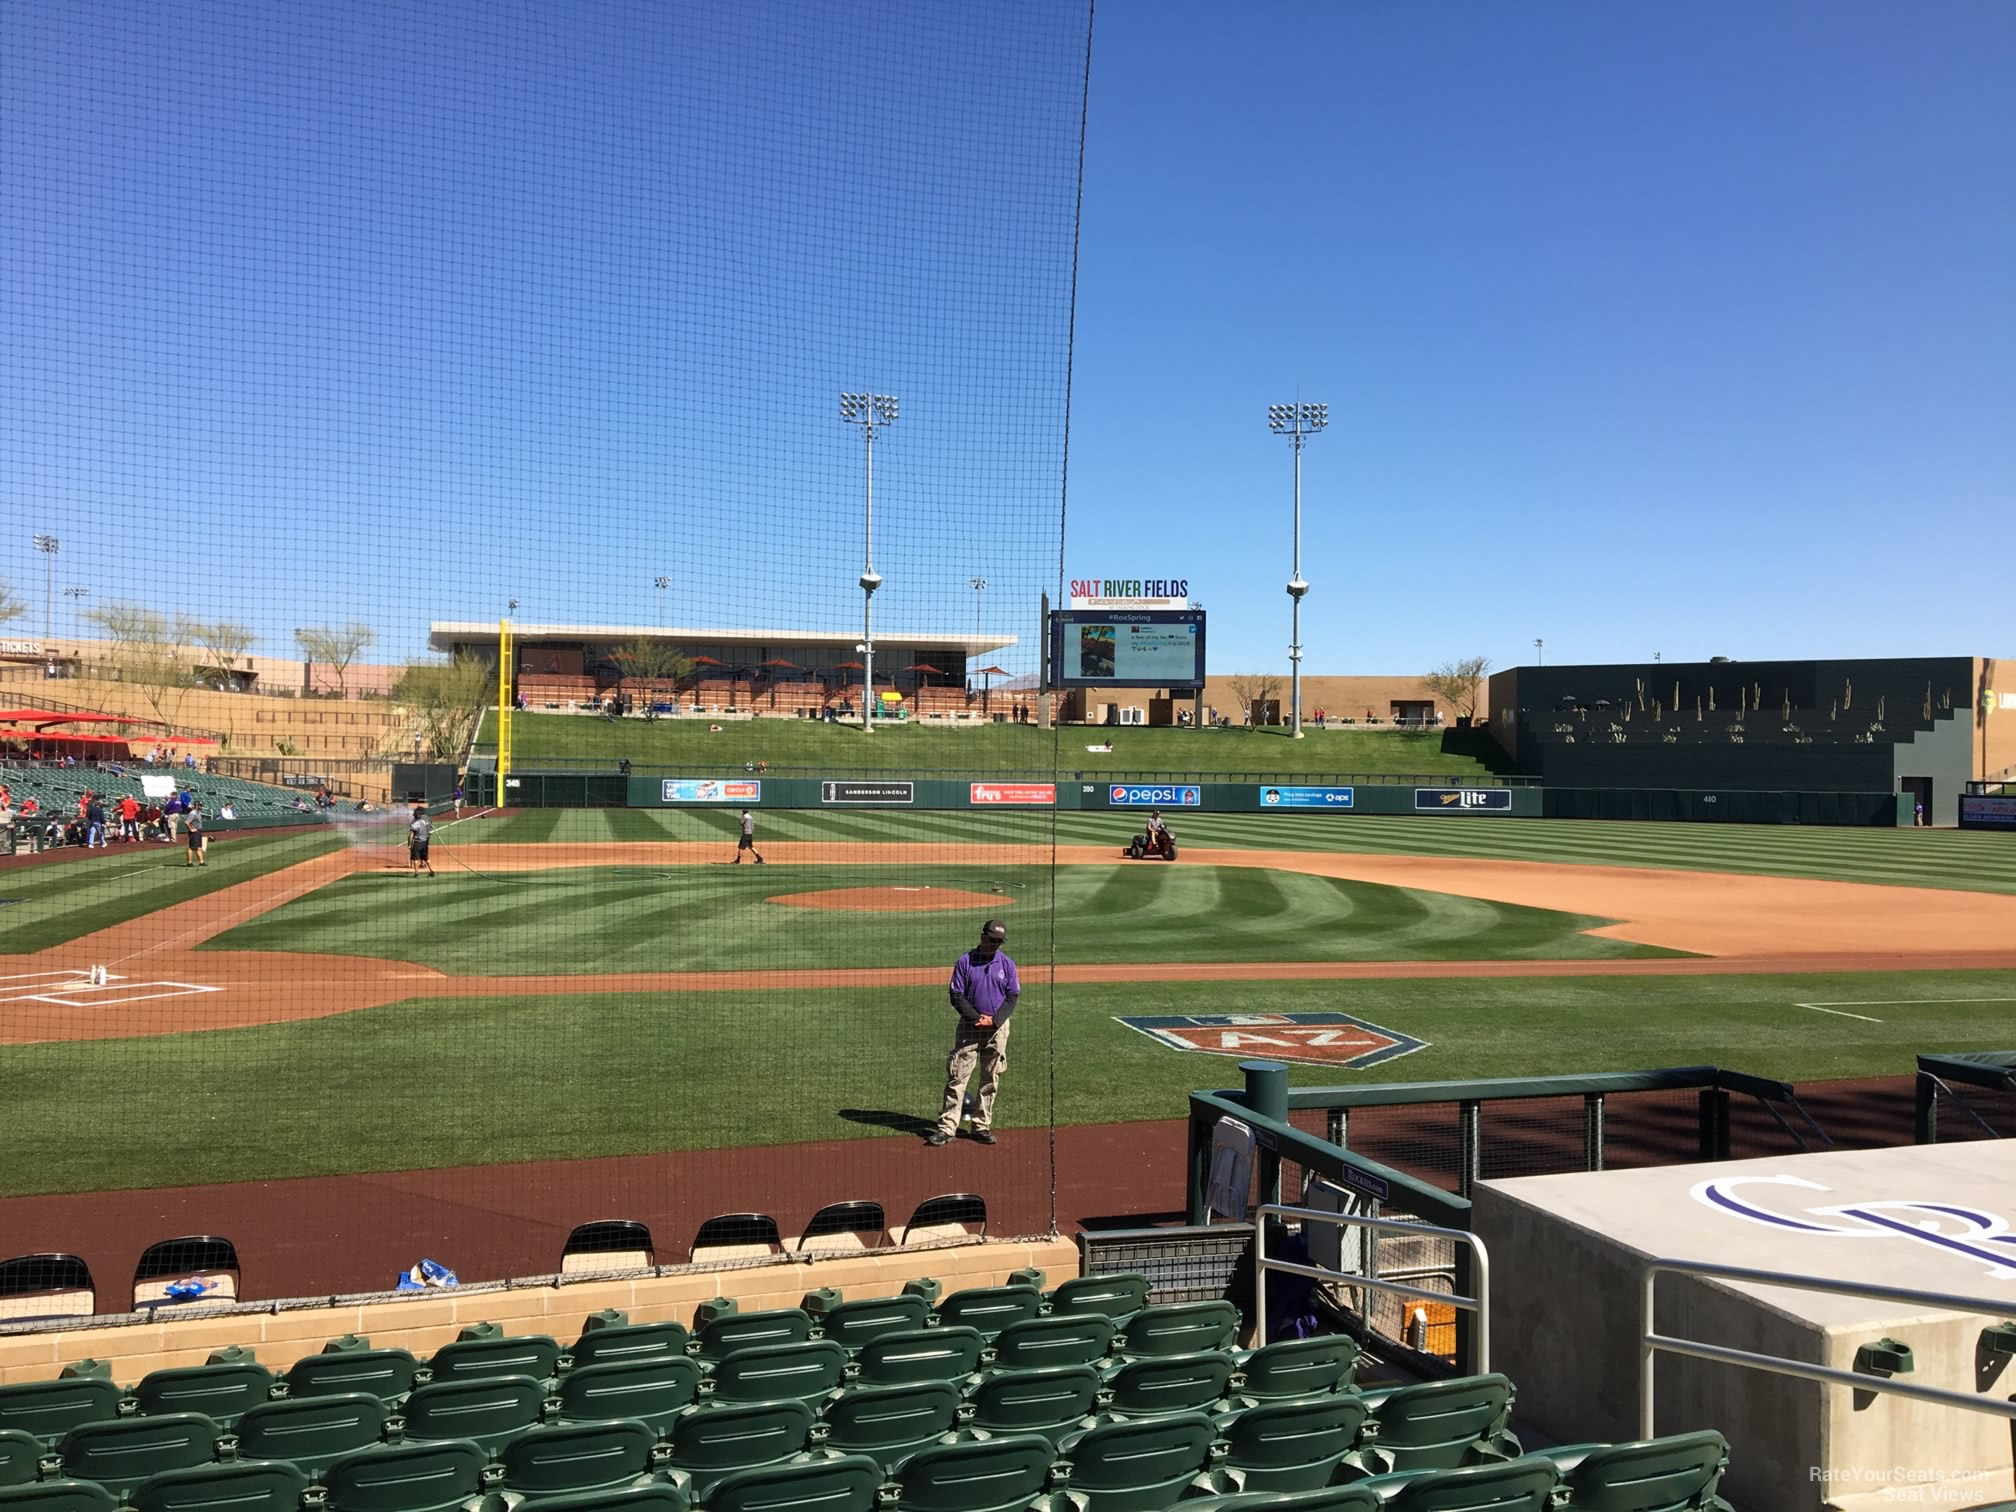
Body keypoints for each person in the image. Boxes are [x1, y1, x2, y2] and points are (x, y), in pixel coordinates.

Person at [927, 919, 1019, 1147]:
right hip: (970, 1028)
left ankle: (981, 1126)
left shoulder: (1007, 964)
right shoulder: (965, 962)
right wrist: (976, 1018)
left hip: (997, 1029)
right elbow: (956, 995)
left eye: (999, 942)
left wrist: (995, 1020)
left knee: (991, 1078)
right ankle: (947, 1127)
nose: (995, 945)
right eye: (992, 940)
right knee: (958, 1077)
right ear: (982, 936)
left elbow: (1012, 996)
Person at [409, 805, 435, 875]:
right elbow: (430, 827)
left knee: (416, 855)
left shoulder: (416, 818)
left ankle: (417, 871)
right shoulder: (428, 817)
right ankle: (427, 867)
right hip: (426, 837)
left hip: (417, 840)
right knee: (425, 854)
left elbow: (411, 830)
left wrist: (409, 843)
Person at [183, 801, 206, 867]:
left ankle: (201, 862)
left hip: (198, 832)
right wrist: (190, 829)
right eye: (200, 805)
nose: (201, 807)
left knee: (199, 847)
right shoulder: (193, 813)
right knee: (191, 847)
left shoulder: (198, 812)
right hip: (194, 833)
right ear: (196, 806)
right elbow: (186, 822)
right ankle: (189, 862)